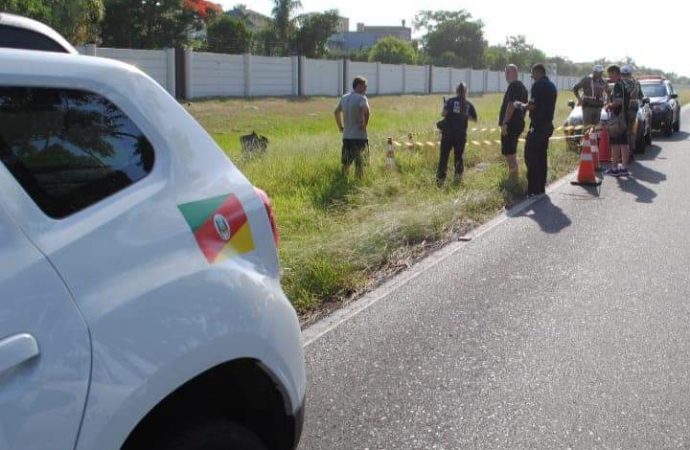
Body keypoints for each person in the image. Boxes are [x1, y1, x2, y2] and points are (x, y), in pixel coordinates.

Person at [513, 63, 557, 197]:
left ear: (538, 72)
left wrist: (520, 105)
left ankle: (532, 188)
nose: (532, 76)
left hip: (537, 126)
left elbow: (532, 106)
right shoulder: (552, 86)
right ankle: (540, 187)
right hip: (548, 125)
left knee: (530, 156)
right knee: (542, 156)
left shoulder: (538, 85)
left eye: (533, 73)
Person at [437, 82, 477, 185]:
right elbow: (474, 119)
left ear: (456, 91)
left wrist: (448, 109)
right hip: (461, 135)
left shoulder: (450, 101)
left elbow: (443, 114)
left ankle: (440, 179)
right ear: (466, 92)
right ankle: (458, 178)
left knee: (444, 156)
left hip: (448, 134)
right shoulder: (468, 104)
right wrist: (464, 115)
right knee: (458, 157)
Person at [334, 76, 370, 178]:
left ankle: (343, 181)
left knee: (346, 163)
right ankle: (358, 184)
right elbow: (367, 112)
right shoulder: (362, 98)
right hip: (359, 137)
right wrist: (364, 126)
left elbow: (336, 112)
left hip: (346, 137)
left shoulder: (344, 97)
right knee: (360, 164)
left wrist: (340, 127)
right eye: (365, 86)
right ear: (358, 86)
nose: (366, 89)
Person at [499, 64, 529, 180]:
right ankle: (514, 176)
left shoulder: (513, 85)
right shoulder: (523, 87)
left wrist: (505, 123)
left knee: (509, 152)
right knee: (511, 151)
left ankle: (513, 179)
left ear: (508, 73)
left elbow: (511, 105)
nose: (505, 76)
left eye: (506, 73)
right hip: (518, 123)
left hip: (510, 124)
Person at [604, 65, 632, 176]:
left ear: (615, 73)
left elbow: (619, 101)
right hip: (625, 116)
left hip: (618, 118)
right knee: (624, 144)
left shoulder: (618, 86)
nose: (609, 77)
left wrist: (609, 105)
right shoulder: (626, 84)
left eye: (610, 74)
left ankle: (614, 168)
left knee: (615, 144)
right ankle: (624, 168)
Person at [621, 64, 643, 154]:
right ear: (630, 73)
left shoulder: (620, 83)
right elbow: (641, 96)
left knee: (624, 130)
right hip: (634, 108)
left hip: (623, 109)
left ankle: (625, 151)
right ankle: (631, 149)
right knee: (631, 130)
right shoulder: (636, 83)